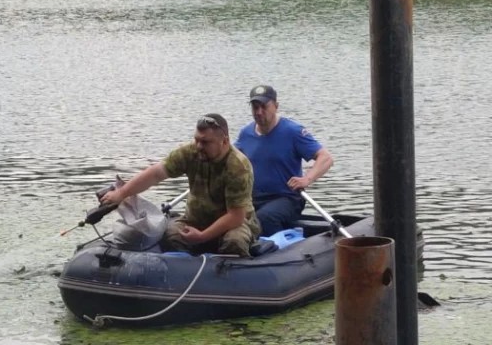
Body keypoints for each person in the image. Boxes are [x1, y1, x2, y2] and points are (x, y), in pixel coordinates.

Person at [100, 113, 260, 257]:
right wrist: (122, 193)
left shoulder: (238, 167)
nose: (198, 146)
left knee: (235, 241)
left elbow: (236, 217)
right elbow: (156, 174)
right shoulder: (190, 152)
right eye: (196, 139)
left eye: (205, 142)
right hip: (197, 219)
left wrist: (202, 236)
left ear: (224, 141)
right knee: (170, 235)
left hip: (234, 224)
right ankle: (187, 270)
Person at [235, 84, 334, 237]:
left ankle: (277, 251)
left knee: (265, 218)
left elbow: (325, 158)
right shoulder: (246, 133)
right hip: (254, 198)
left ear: (276, 106)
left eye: (264, 107)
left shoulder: (293, 131)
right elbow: (230, 160)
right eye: (255, 107)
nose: (259, 112)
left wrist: (306, 179)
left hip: (287, 198)